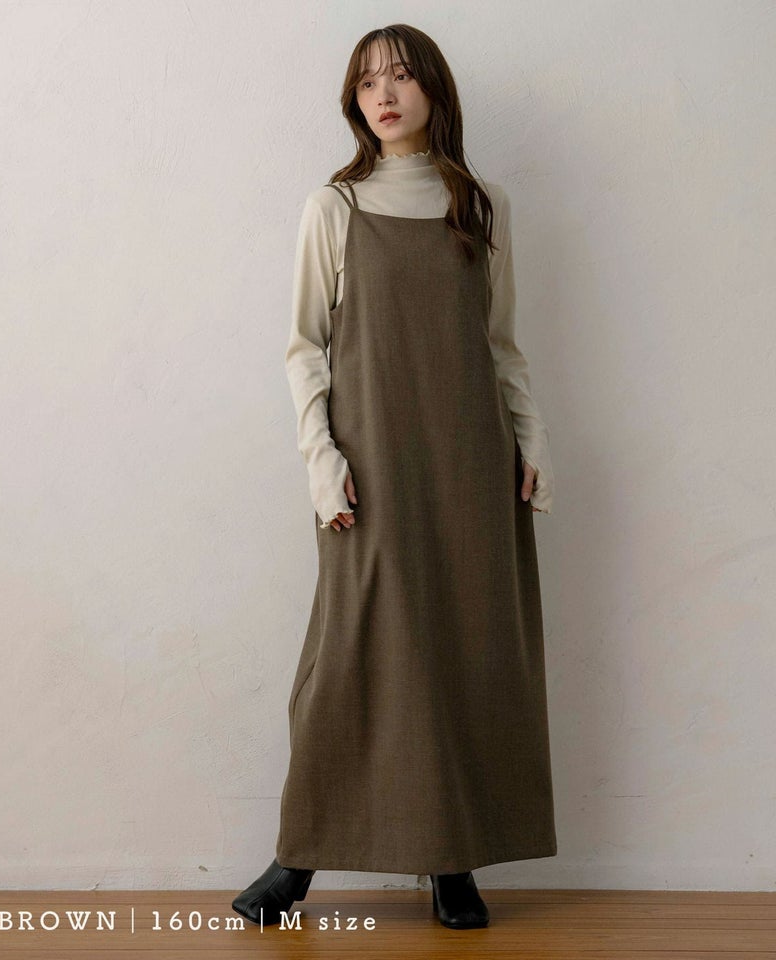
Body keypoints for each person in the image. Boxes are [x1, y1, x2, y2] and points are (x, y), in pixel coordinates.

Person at [232, 23, 557, 931]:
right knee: (350, 658)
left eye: (404, 76)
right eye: (369, 80)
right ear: (354, 99)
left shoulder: (481, 206)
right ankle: (298, 859)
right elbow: (305, 350)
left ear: (434, 92)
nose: (385, 93)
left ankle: (453, 863)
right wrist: (322, 463)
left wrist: (532, 443)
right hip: (370, 467)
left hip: (471, 462)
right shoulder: (333, 207)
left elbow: (502, 345)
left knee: (467, 650)